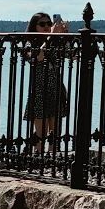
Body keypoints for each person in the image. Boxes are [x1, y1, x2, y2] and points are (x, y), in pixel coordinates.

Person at [24, 11, 70, 151]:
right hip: (40, 90)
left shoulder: (55, 41)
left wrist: (65, 36)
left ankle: (53, 159)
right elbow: (37, 56)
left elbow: (72, 56)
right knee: (41, 132)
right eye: (42, 24)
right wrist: (51, 36)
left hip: (56, 89)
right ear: (34, 26)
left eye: (49, 23)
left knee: (55, 133)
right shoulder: (29, 42)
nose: (46, 26)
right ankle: (38, 157)